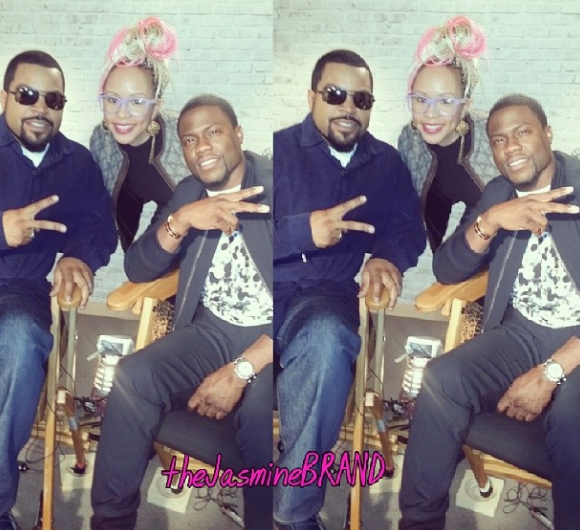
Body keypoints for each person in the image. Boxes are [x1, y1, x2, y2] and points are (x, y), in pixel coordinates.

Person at [90, 95, 273, 530]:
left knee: (256, 416)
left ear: (238, 135)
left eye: (214, 132)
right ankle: (111, 521)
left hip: (274, 338)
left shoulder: (277, 188)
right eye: (189, 140)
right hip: (211, 331)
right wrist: (183, 220)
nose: (201, 147)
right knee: (133, 376)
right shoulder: (190, 193)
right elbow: (138, 268)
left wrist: (242, 369)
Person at [399, 94, 580, 530]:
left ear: (548, 134)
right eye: (499, 140)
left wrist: (552, 372)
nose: (510, 147)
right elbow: (446, 268)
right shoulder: (499, 193)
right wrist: (492, 220)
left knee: (570, 419)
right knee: (441, 379)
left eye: (523, 132)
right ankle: (419, 522)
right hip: (521, 335)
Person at [273, 49, 426, 529]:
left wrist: (385, 257)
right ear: (312, 97)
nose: (348, 107)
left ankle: (294, 514)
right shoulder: (275, 151)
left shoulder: (386, 164)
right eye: (335, 94)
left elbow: (407, 228)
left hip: (322, 297)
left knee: (326, 340)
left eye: (361, 99)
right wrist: (303, 232)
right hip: (258, 289)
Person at [0, 50, 117, 530]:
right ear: (4, 97)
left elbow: (99, 227)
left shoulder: (77, 164)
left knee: (20, 340)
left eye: (53, 100)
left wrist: (77, 256)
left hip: (16, 294)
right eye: (28, 94)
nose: (41, 108)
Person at [398, 16, 499, 251]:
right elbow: (405, 209)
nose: (430, 113)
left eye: (445, 101)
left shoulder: (492, 136)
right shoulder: (410, 142)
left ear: (465, 107)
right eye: (421, 99)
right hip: (455, 254)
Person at [90, 16, 187, 250]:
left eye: (137, 102)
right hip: (154, 244)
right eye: (112, 99)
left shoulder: (183, 135)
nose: (122, 114)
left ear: (156, 106)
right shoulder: (101, 141)